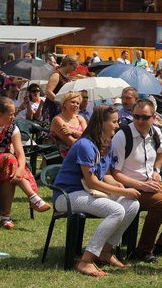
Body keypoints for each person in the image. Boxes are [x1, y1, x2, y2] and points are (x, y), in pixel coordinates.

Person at [53, 105, 141, 277]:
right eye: (114, 122)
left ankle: (105, 251)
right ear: (102, 123)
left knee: (132, 204)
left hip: (87, 193)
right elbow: (92, 182)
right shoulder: (85, 145)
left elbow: (105, 174)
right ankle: (85, 260)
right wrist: (124, 192)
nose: (117, 125)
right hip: (67, 196)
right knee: (117, 210)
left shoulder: (105, 144)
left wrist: (118, 186)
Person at [112, 99, 162, 263]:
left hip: (152, 183)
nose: (139, 121)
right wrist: (142, 185)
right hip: (129, 187)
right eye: (136, 116)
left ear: (153, 118)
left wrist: (157, 170)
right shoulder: (122, 136)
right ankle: (143, 250)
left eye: (144, 117)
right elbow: (115, 174)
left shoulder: (156, 133)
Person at [0, 97, 51, 229]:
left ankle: (6, 218)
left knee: (10, 173)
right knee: (9, 158)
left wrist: (20, 170)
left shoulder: (13, 128)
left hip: (7, 167)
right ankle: (33, 198)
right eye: (11, 114)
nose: (13, 117)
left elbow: (20, 153)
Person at [39, 55, 78, 131]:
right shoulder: (56, 75)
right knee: (49, 131)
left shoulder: (67, 76)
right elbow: (48, 91)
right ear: (68, 64)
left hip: (60, 107)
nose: (74, 70)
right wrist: (61, 102)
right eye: (74, 67)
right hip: (52, 107)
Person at [50, 91, 87, 159]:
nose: (75, 105)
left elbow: (89, 136)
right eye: (72, 102)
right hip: (69, 156)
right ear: (64, 104)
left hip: (83, 150)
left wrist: (73, 131)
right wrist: (83, 136)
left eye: (77, 103)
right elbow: (71, 142)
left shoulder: (80, 119)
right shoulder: (58, 120)